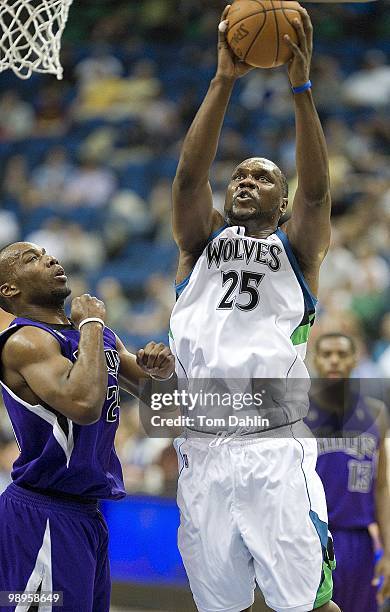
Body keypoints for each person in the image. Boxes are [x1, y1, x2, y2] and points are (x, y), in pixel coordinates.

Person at [169, 5, 339, 612]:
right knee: (219, 604)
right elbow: (190, 182)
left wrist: (301, 87)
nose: (246, 180)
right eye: (240, 174)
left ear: (284, 202)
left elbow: (319, 191)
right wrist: (224, 80)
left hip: (273, 442)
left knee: (306, 604)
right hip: (203, 445)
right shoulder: (200, 245)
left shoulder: (298, 251)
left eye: (264, 178)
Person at [0, 241, 175, 612]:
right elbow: (82, 404)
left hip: (87, 516)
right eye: (32, 259)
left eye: (47, 252)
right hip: (42, 514)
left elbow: (163, 398)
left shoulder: (98, 338)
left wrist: (160, 370)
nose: (49, 258)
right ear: (10, 290)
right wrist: (93, 321)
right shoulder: (26, 340)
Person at [306, 333, 390, 612]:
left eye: (342, 354)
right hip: (312, 538)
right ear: (315, 359)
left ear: (355, 359)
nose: (334, 361)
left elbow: (382, 487)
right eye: (327, 354)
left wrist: (388, 553)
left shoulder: (376, 413)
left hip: (359, 542)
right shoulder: (299, 413)